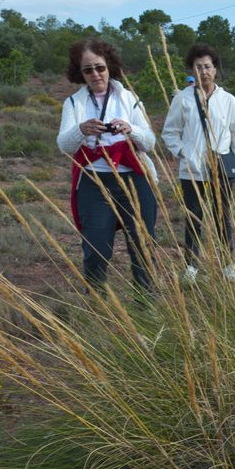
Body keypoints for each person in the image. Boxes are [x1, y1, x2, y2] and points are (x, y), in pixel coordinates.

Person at [56, 38, 159, 290]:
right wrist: (81, 130)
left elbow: (149, 142)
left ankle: (146, 303)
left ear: (109, 66)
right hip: (94, 182)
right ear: (80, 73)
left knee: (143, 245)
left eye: (100, 67)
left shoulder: (129, 98)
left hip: (134, 178)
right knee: (96, 247)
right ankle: (97, 302)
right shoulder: (73, 103)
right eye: (88, 70)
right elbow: (64, 146)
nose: (95, 74)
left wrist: (130, 129)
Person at [162, 44, 235, 283]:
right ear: (192, 70)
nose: (204, 71)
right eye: (198, 67)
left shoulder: (228, 100)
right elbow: (170, 132)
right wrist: (184, 153)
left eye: (207, 66)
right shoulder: (182, 99)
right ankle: (191, 266)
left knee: (223, 216)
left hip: (222, 169)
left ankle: (229, 265)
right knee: (193, 217)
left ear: (215, 69)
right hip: (192, 171)